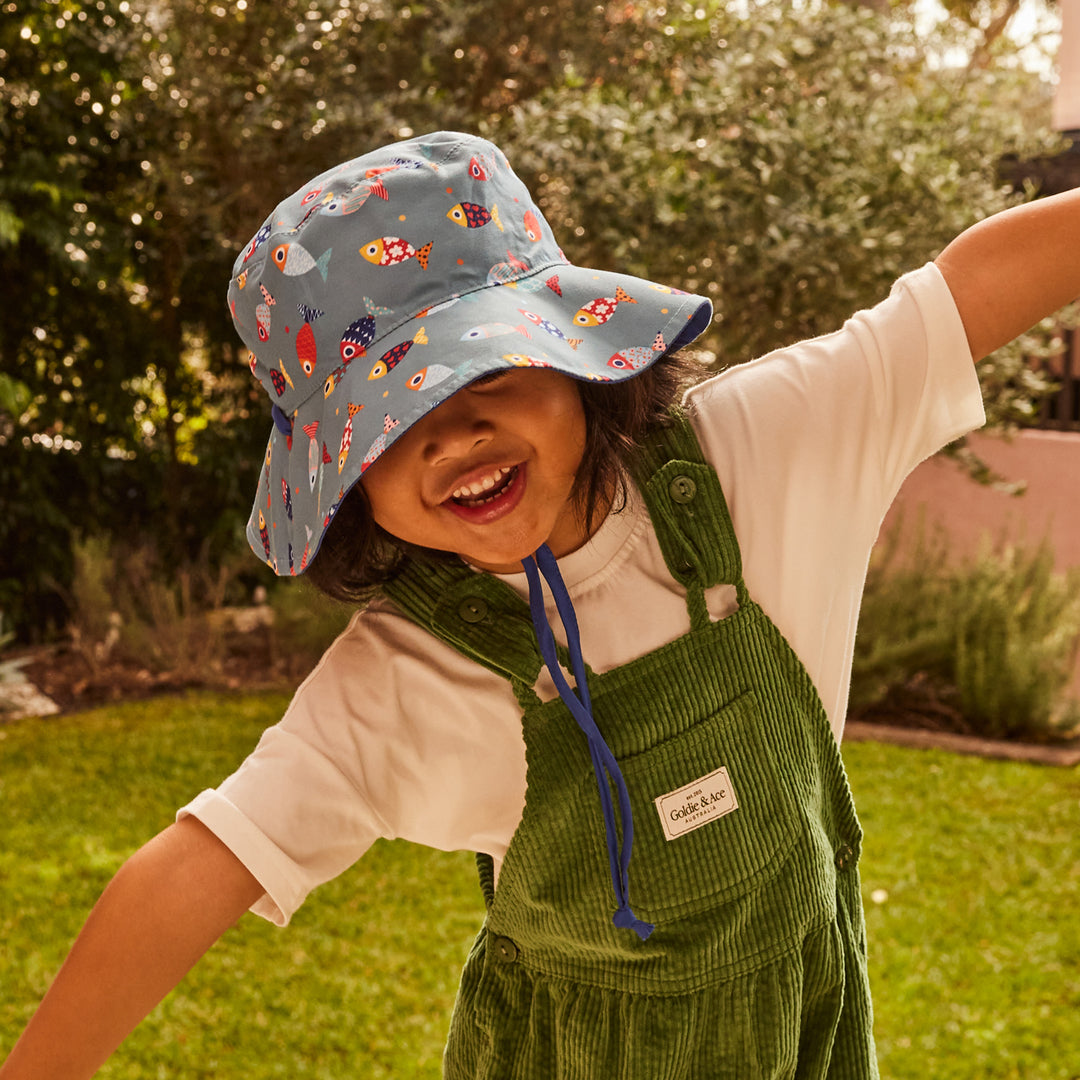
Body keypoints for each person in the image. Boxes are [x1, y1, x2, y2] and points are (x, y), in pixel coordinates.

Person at [3, 129, 1079, 1079]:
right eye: (393, 419)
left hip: (802, 1032)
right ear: (345, 482)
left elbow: (952, 298)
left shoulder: (762, 456)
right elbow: (199, 867)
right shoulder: (399, 680)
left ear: (577, 362)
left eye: (489, 375)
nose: (454, 435)